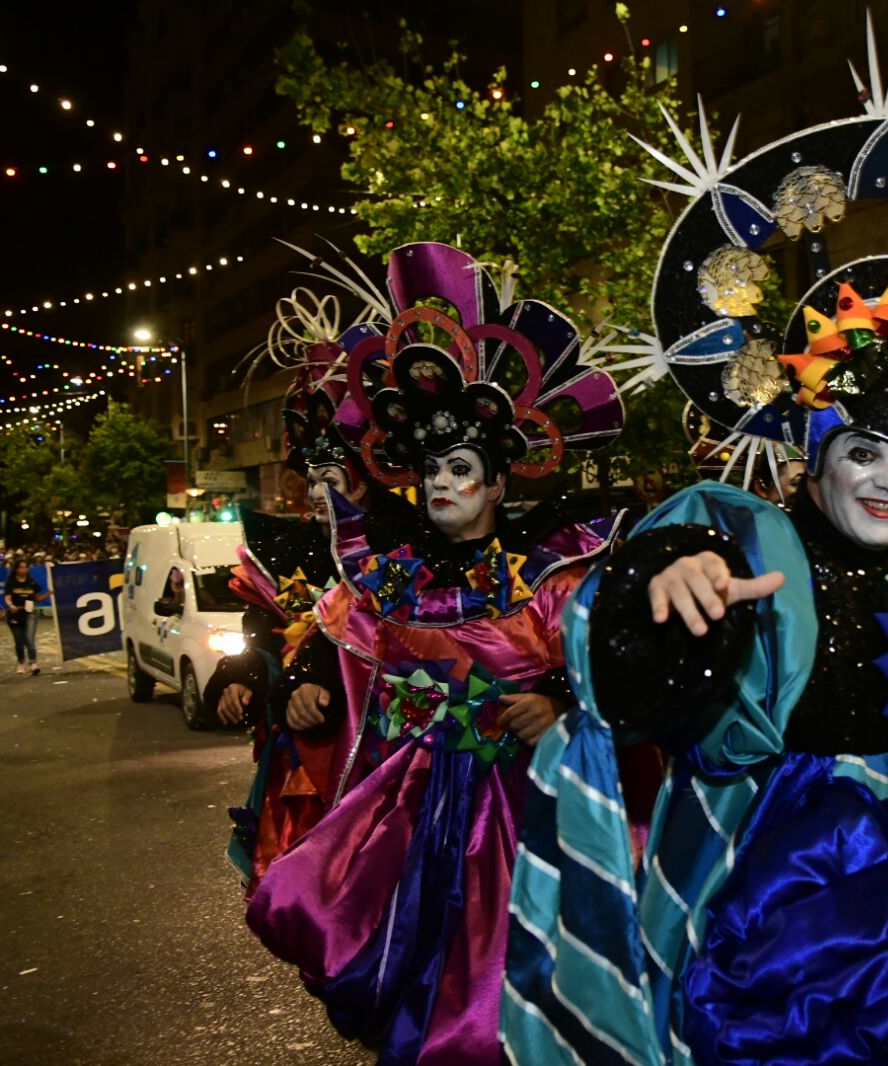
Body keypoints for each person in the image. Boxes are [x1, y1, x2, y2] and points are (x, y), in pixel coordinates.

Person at [503, 32, 888, 1056]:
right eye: (865, 453)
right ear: (809, 457)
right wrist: (673, 573)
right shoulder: (747, 536)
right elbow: (627, 665)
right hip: (770, 855)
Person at [243, 241, 632, 1063]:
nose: (444, 483)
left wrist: (561, 699)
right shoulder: (389, 579)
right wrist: (303, 688)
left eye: (462, 467)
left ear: (498, 481)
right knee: (406, 971)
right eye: (431, 469)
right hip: (410, 818)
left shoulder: (551, 574)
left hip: (525, 814)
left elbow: (612, 667)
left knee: (512, 986)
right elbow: (335, 645)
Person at [205, 302, 382, 897]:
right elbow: (263, 633)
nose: (318, 491)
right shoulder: (290, 551)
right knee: (307, 895)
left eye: (333, 476)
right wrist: (240, 679)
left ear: (363, 479)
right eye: (311, 478)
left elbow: (383, 641)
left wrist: (323, 679)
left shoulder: (397, 554)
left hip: (374, 757)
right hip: (295, 758)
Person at [3, 558, 42, 676]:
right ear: (16, 569)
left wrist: (49, 594)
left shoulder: (32, 582)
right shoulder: (11, 582)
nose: (24, 569)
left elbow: (37, 597)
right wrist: (11, 605)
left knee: (29, 638)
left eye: (26, 567)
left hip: (30, 613)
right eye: (21, 567)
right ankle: (21, 662)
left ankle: (34, 663)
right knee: (19, 640)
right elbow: (7, 597)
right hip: (15, 614)